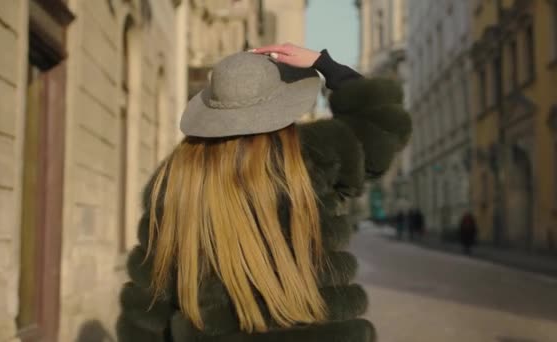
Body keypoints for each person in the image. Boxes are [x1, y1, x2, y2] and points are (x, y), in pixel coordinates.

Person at [117, 43, 411, 341]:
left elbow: (148, 311)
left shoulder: (177, 180)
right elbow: (384, 127)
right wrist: (326, 65)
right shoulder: (310, 158)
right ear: (281, 105)